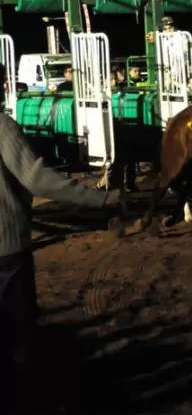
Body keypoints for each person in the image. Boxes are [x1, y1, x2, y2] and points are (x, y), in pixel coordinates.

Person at [0, 94, 115, 392]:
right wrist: (100, 198)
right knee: (19, 330)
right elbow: (38, 180)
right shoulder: (2, 126)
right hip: (6, 250)